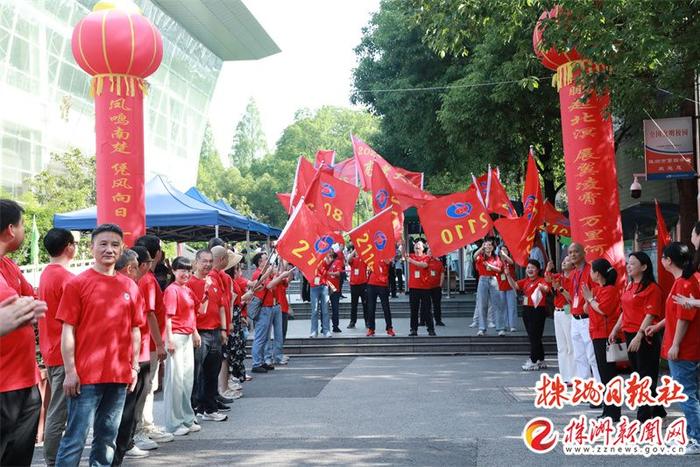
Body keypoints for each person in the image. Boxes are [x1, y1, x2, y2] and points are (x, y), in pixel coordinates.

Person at [55, 224, 145, 466]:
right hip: (85, 378)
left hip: (118, 376)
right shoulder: (77, 284)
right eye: (103, 244)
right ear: (91, 247)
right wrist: (71, 371)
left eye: (115, 245)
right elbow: (67, 331)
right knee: (75, 438)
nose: (109, 249)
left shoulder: (130, 286)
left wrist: (134, 367)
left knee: (107, 439)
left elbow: (135, 329)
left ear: (122, 249)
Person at [0, 199, 47, 466]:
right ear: (10, 229)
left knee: (18, 460)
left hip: (25, 384)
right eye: (22, 225)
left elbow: (32, 297)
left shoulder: (9, 266)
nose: (23, 230)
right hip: (2, 388)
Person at [646, 242, 700, 455]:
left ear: (669, 261)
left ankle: (696, 439)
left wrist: (676, 344)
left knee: (687, 394)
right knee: (689, 393)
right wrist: (658, 326)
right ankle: (693, 436)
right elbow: (674, 314)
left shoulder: (684, 283)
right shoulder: (683, 281)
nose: (661, 261)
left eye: (663, 257)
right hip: (683, 346)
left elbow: (684, 318)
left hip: (685, 348)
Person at [608, 252, 666, 422]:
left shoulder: (652, 289)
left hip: (645, 335)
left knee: (645, 376)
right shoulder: (629, 286)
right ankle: (659, 410)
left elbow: (650, 314)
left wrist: (639, 336)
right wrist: (615, 329)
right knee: (640, 374)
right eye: (628, 263)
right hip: (629, 333)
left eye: (633, 263)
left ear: (644, 267)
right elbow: (623, 311)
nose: (629, 266)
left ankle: (644, 417)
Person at [113, 247, 155, 464]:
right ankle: (123, 446)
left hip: (133, 357)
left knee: (127, 407)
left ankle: (122, 447)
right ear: (130, 268)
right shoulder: (128, 286)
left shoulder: (132, 285)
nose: (142, 270)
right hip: (125, 359)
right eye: (139, 266)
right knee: (123, 409)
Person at [38, 228, 76, 466]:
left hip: (50, 348)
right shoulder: (67, 279)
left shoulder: (46, 274)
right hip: (64, 353)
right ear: (69, 247)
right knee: (59, 413)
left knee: (58, 409)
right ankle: (53, 460)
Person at [133, 234, 173, 447]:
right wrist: (159, 343)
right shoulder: (147, 280)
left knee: (148, 387)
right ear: (156, 254)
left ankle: (145, 426)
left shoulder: (144, 278)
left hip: (146, 341)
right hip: (147, 342)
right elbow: (149, 314)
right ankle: (139, 430)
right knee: (145, 387)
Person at [162, 256, 202, 436]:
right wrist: (169, 339)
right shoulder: (172, 291)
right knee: (175, 382)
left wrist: (194, 332)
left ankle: (186, 417)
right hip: (176, 337)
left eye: (188, 270)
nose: (186, 274)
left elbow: (194, 312)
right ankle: (174, 422)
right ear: (173, 271)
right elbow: (167, 317)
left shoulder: (186, 289)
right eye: (182, 270)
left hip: (186, 336)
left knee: (186, 381)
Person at [187, 249, 228, 421]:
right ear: (196, 262)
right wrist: (194, 332)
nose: (207, 264)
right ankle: (193, 409)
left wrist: (224, 329)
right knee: (196, 373)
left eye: (210, 261)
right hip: (199, 333)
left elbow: (220, 306)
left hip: (215, 332)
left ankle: (210, 408)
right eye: (204, 261)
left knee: (212, 372)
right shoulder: (189, 282)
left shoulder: (213, 281)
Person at [581, 258, 622, 422]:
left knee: (609, 374)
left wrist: (591, 299)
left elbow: (603, 310)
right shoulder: (597, 289)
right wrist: (588, 298)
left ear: (597, 273)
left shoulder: (610, 290)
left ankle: (613, 412)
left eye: (592, 271)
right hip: (596, 334)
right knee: (603, 374)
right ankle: (608, 410)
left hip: (606, 335)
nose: (590, 274)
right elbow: (586, 309)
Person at [506, 259, 549, 370]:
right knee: (533, 336)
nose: (530, 270)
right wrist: (508, 275)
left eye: (533, 268)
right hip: (527, 310)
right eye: (528, 268)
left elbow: (547, 289)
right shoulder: (525, 281)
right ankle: (541, 359)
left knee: (535, 336)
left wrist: (542, 287)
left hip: (538, 310)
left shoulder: (541, 280)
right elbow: (514, 285)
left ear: (538, 270)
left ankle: (533, 360)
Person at [567, 242, 601, 383]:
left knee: (592, 356)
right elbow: (571, 296)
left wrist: (589, 302)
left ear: (583, 253)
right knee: (579, 357)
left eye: (576, 251)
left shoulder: (591, 270)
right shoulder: (573, 273)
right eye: (570, 252)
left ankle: (599, 388)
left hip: (587, 319)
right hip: (575, 319)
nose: (573, 255)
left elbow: (597, 292)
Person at [250, 251, 289, 372]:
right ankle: (257, 363)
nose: (269, 262)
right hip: (264, 308)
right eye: (266, 259)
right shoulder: (258, 274)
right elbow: (269, 286)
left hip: (269, 307)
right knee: (261, 337)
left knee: (264, 336)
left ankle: (261, 361)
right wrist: (281, 276)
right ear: (260, 262)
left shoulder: (265, 274)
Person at [545, 257, 575, 385]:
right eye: (563, 260)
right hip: (557, 312)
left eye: (567, 260)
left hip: (567, 311)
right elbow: (547, 279)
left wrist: (560, 289)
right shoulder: (558, 276)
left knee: (570, 346)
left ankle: (574, 376)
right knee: (561, 347)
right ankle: (565, 376)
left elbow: (571, 299)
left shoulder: (573, 278)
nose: (564, 261)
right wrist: (548, 268)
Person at [474, 238, 504, 336]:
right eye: (486, 245)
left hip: (494, 280)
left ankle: (500, 328)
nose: (488, 247)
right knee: (482, 304)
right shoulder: (480, 256)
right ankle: (482, 328)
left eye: (490, 245)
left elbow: (499, 269)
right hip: (483, 280)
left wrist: (490, 266)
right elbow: (474, 257)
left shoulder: (496, 258)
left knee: (497, 305)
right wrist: (481, 248)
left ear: (493, 247)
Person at [406, 240, 435, 336]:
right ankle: (413, 329)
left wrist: (411, 261)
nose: (417, 246)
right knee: (414, 310)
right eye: (416, 245)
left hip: (425, 287)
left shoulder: (427, 257)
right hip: (413, 287)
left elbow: (424, 265)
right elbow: (403, 256)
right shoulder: (411, 256)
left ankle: (430, 329)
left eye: (419, 245)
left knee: (427, 309)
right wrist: (402, 242)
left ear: (423, 248)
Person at [366, 258, 395, 336]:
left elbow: (389, 261)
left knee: (386, 307)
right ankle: (371, 328)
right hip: (371, 283)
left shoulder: (387, 254)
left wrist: (382, 255)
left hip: (382, 284)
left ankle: (389, 328)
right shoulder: (372, 254)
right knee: (371, 307)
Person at [309, 253, 332, 338]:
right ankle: (314, 331)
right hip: (314, 286)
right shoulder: (310, 259)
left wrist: (326, 253)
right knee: (314, 311)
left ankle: (326, 330)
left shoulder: (324, 257)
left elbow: (328, 262)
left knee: (325, 310)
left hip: (323, 286)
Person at [347, 246, 368, 329]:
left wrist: (361, 250)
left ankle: (367, 321)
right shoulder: (353, 260)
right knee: (354, 305)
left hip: (363, 284)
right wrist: (355, 250)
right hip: (354, 285)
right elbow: (348, 259)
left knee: (365, 304)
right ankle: (352, 322)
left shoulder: (363, 259)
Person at [498, 245, 518, 332]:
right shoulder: (497, 261)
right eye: (502, 250)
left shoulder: (510, 260)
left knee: (512, 306)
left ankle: (512, 325)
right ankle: (505, 324)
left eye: (505, 250)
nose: (503, 251)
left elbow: (511, 262)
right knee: (502, 306)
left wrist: (505, 255)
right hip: (500, 286)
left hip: (510, 286)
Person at [426, 247, 445, 326]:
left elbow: (442, 273)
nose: (430, 253)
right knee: (426, 305)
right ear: (427, 253)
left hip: (436, 287)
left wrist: (440, 284)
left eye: (432, 251)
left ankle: (438, 320)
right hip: (426, 287)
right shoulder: (424, 261)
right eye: (429, 251)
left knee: (437, 304)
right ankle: (425, 321)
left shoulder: (438, 262)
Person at [327, 251, 344, 333]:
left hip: (334, 289)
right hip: (325, 288)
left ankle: (335, 326)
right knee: (324, 309)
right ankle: (324, 326)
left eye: (330, 251)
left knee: (335, 308)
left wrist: (328, 273)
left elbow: (338, 273)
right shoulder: (324, 262)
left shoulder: (337, 262)